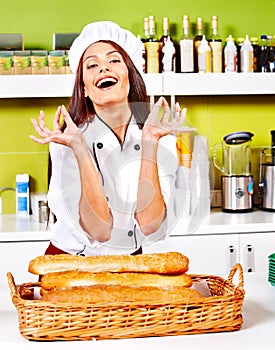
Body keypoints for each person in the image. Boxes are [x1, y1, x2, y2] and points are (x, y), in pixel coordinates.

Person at [30, 21, 187, 256]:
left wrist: (150, 144)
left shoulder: (159, 136)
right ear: (83, 88)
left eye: (114, 60)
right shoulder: (68, 139)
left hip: (130, 263)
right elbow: (98, 230)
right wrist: (80, 149)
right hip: (71, 262)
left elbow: (150, 224)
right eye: (92, 65)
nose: (103, 68)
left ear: (131, 76)